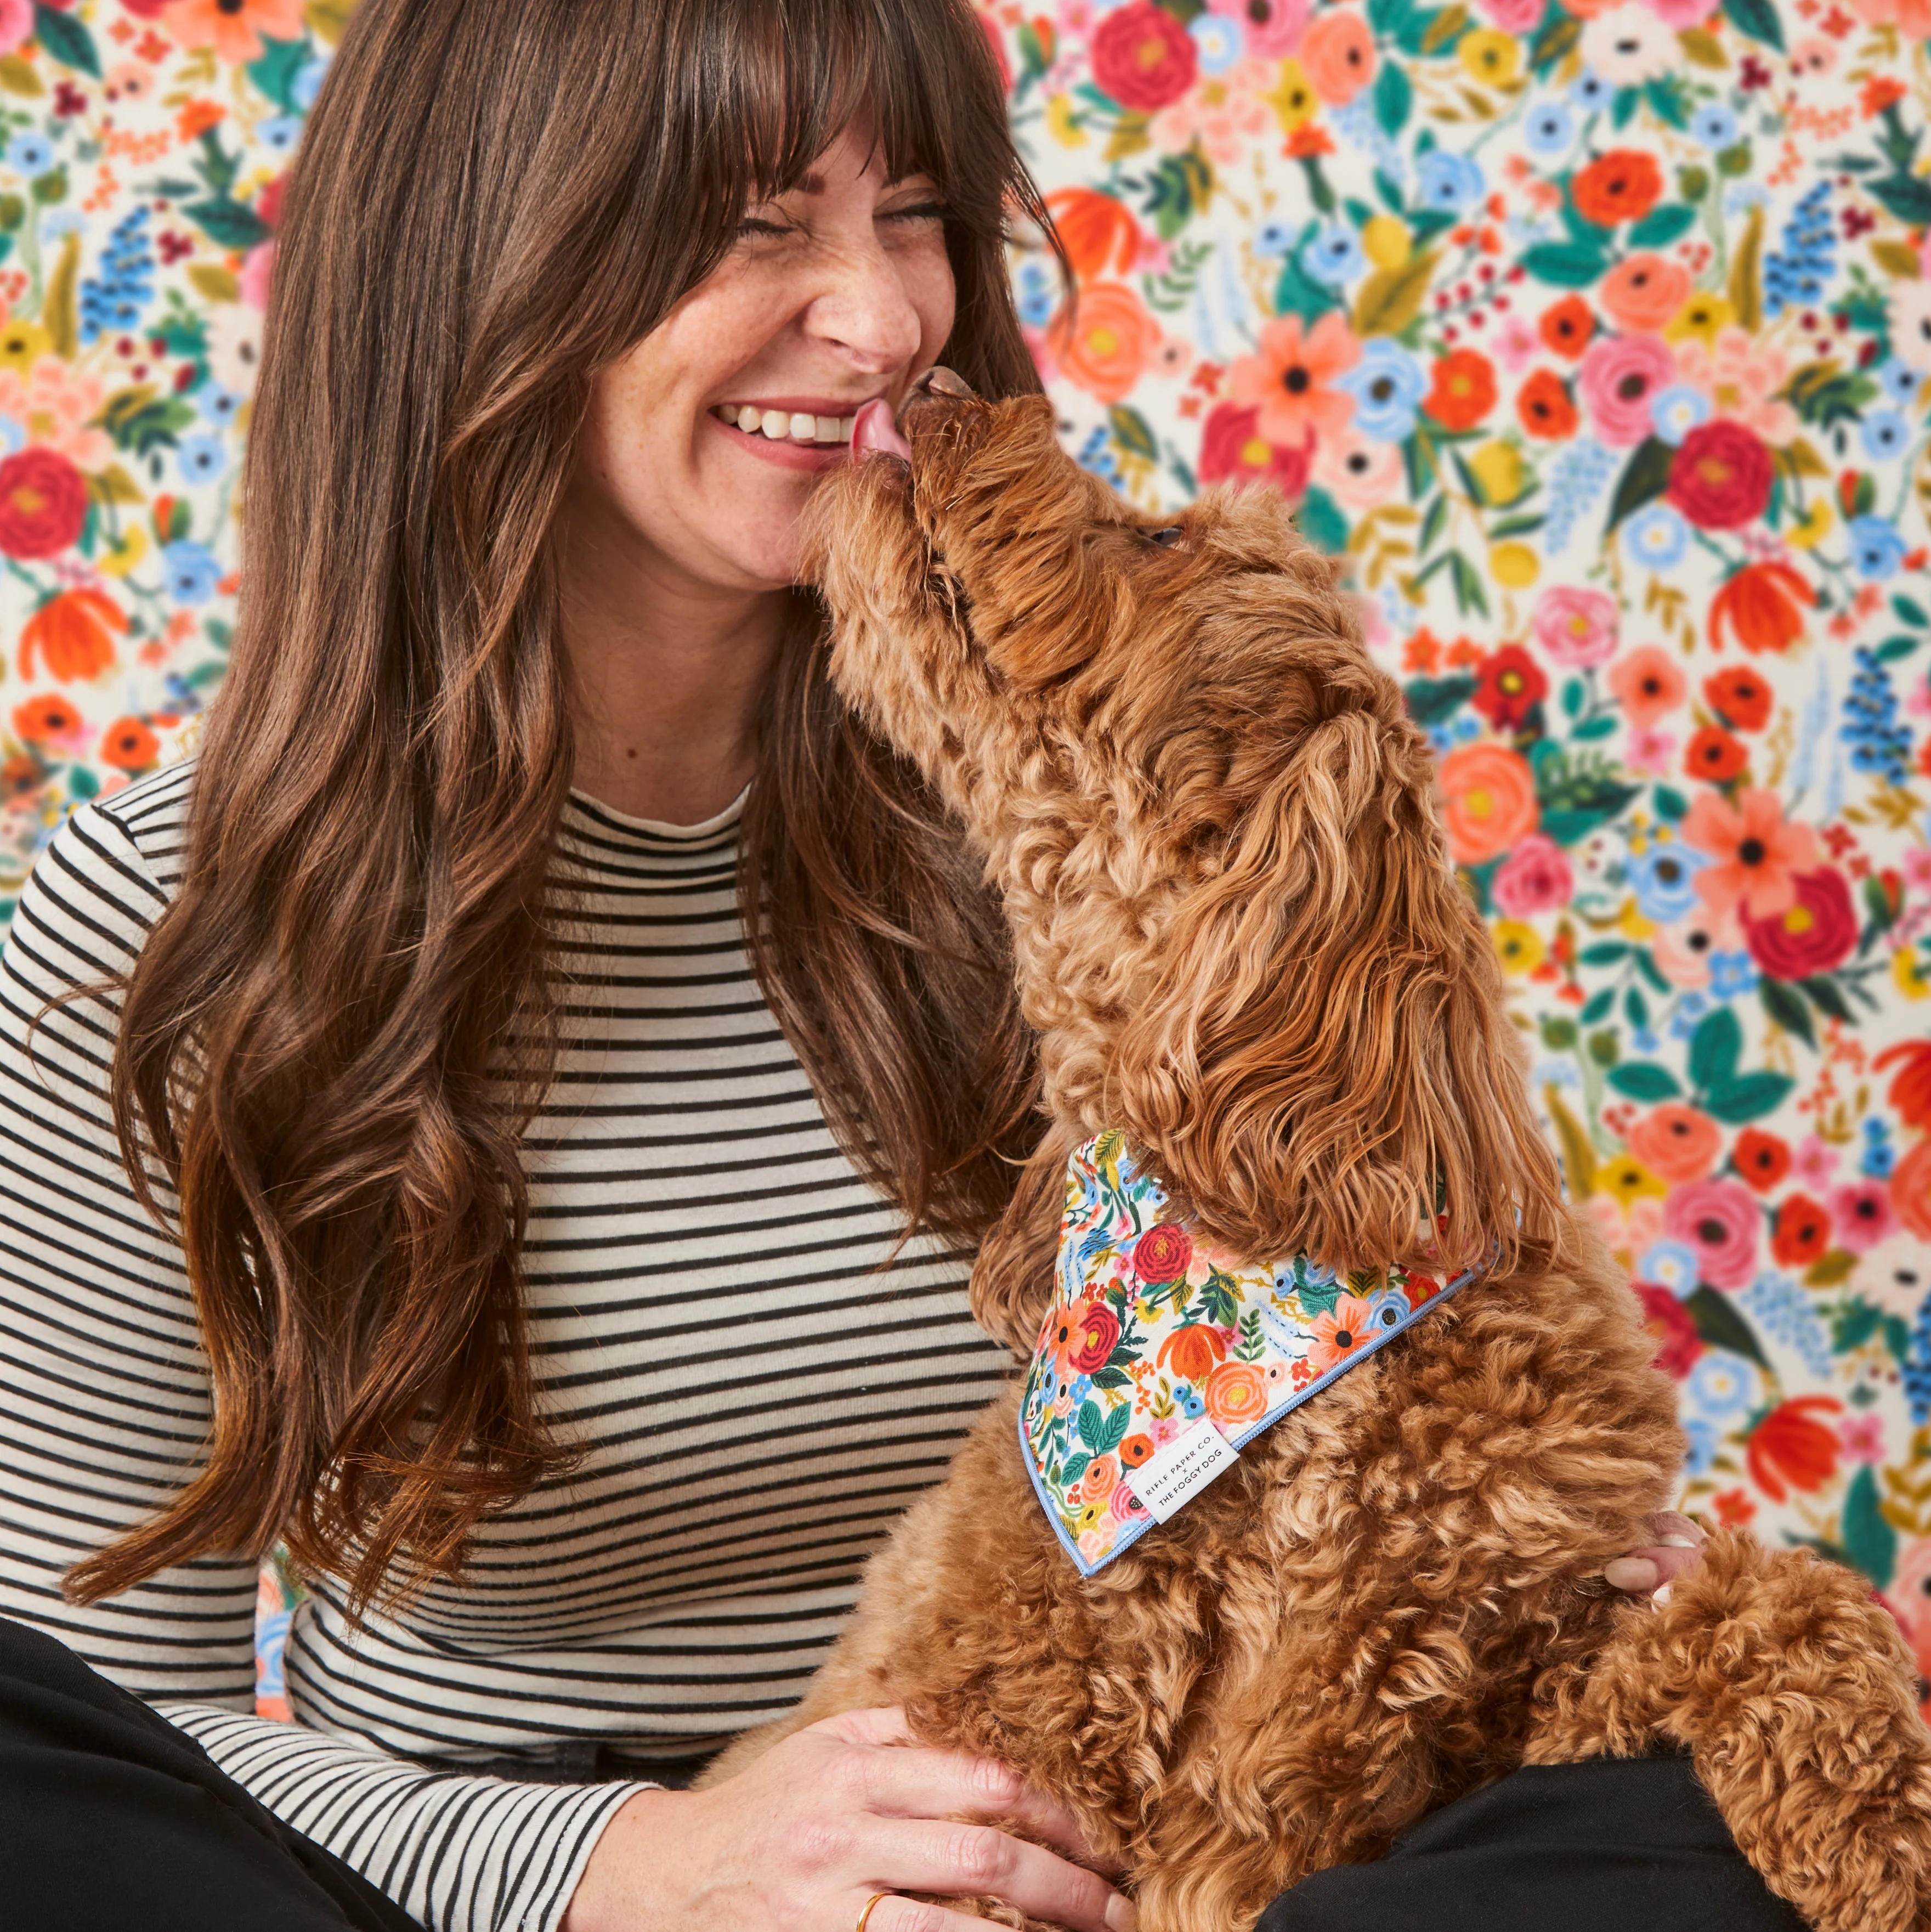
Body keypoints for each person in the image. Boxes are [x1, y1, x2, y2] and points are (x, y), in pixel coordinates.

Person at [0, 5, 1715, 1931]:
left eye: (917, 216)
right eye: (756, 224)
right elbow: (103, 1703)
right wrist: (640, 1867)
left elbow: (1344, 1280)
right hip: (548, 1872)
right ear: (494, 260)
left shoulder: (1059, 770)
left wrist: (1518, 1557)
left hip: (1099, 1837)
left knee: (1700, 1812)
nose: (889, 317)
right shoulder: (182, 894)